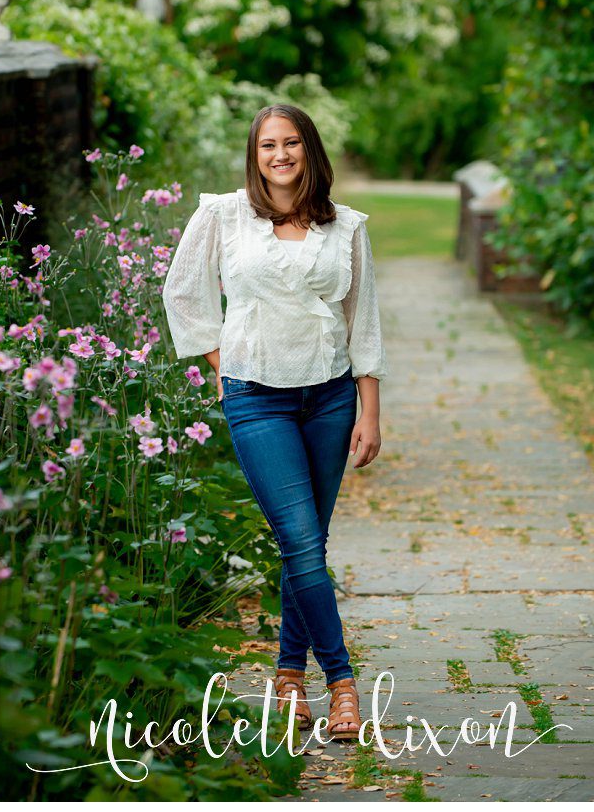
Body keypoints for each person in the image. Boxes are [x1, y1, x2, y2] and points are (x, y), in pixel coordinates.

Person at [162, 103, 386, 746]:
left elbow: (361, 318)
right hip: (257, 398)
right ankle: (342, 684)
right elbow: (182, 292)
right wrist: (223, 358)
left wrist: (370, 411)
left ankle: (288, 677)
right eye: (268, 145)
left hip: (330, 396)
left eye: (291, 143)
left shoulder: (346, 227)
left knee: (305, 543)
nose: (280, 155)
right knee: (300, 539)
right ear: (254, 155)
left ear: (310, 152)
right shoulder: (225, 215)